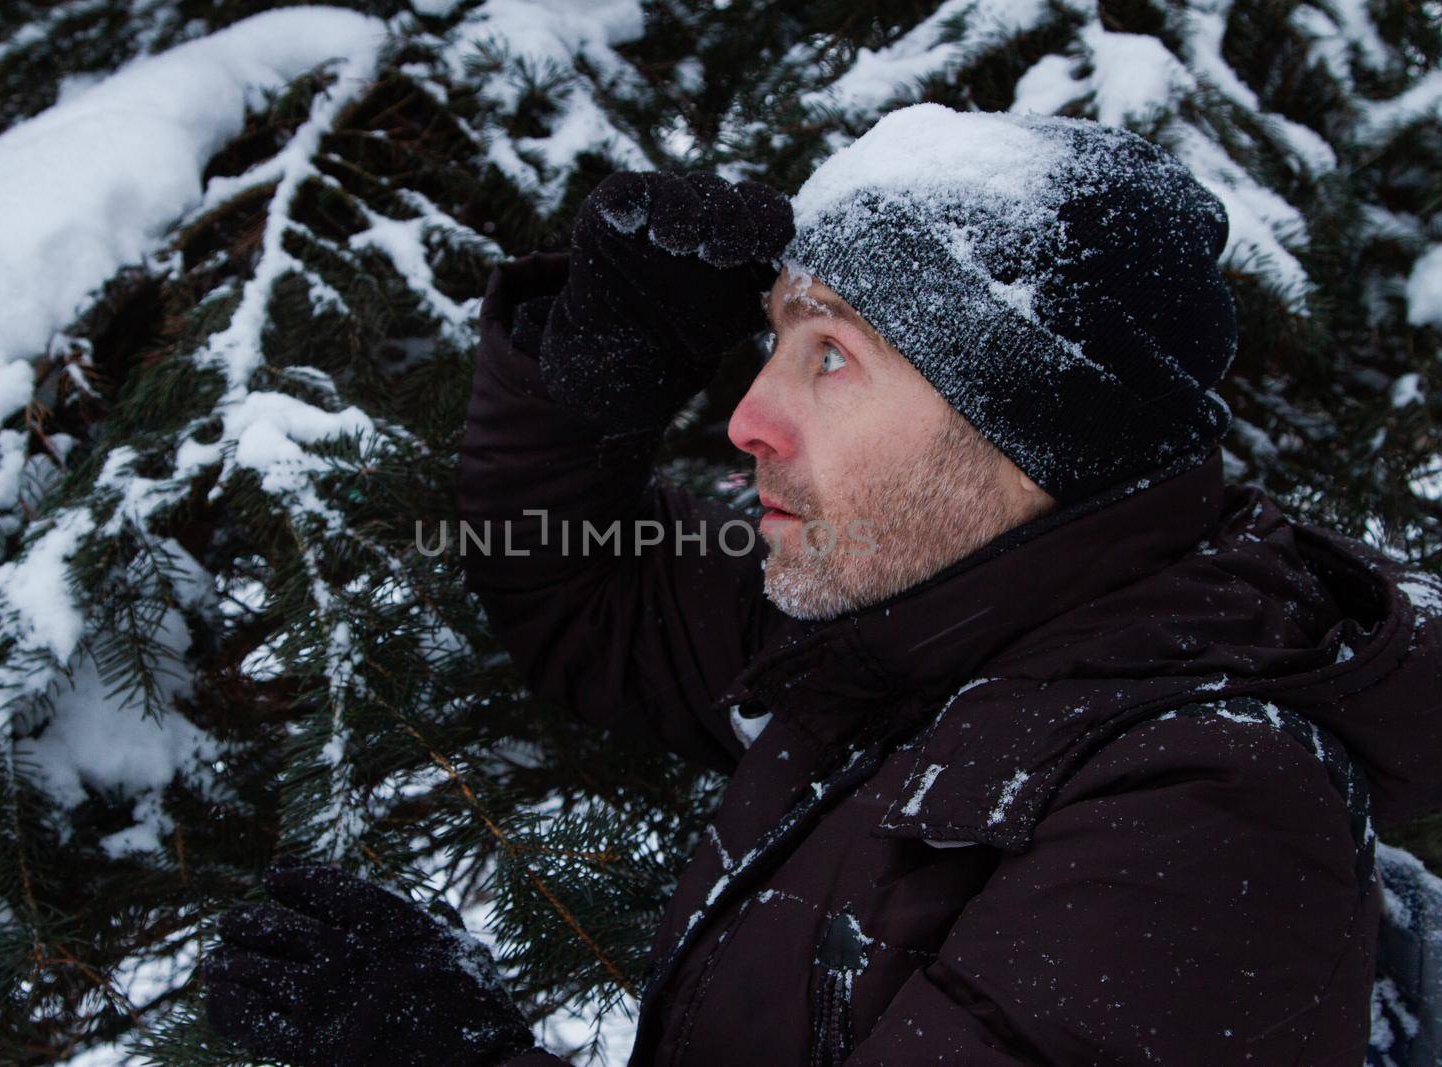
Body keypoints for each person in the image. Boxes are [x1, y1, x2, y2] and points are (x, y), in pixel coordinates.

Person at [202, 104, 1442, 1065]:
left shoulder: (1204, 809)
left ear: (1027, 427)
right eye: (775, 344)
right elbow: (584, 599)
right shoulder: (910, 622)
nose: (747, 415)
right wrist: (593, 380)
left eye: (833, 355)